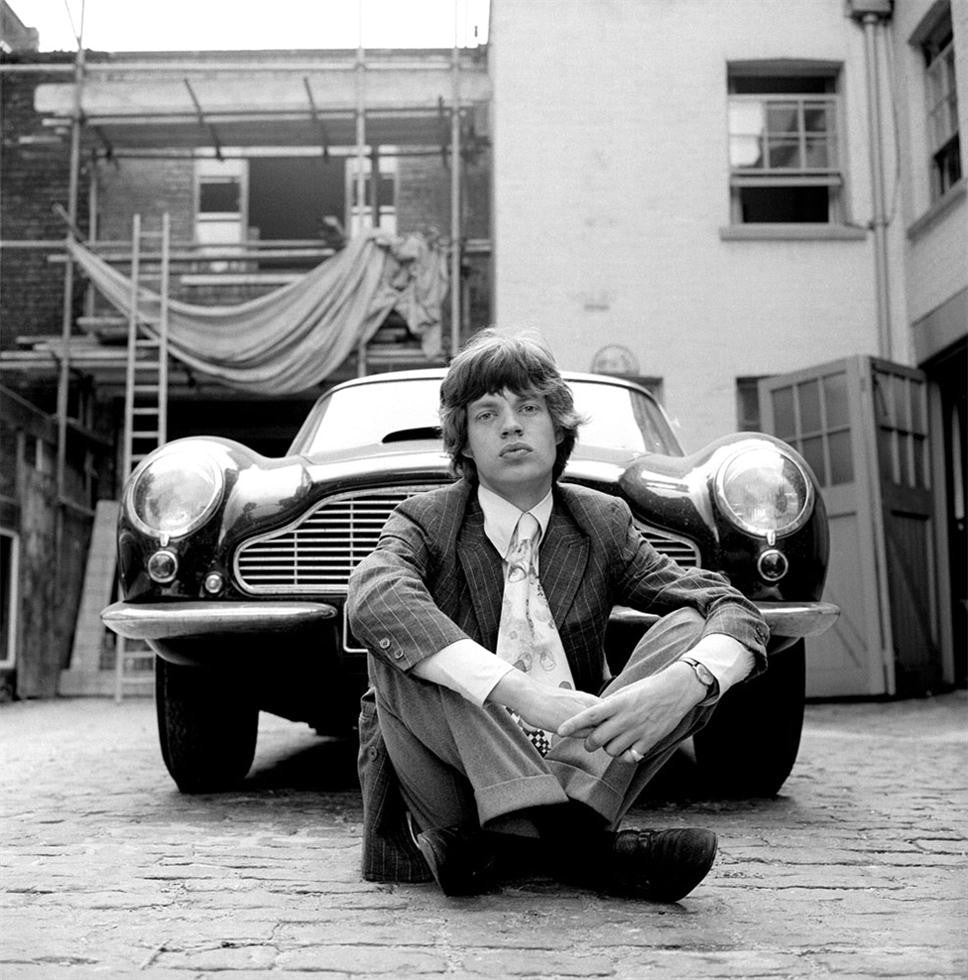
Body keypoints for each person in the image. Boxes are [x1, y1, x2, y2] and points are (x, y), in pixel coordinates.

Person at [347, 329, 769, 900]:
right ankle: (584, 848)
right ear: (464, 442)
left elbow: (731, 607)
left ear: (558, 427)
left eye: (529, 407)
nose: (512, 425)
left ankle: (518, 844)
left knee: (693, 629)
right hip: (455, 784)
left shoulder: (601, 522)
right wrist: (525, 695)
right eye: (487, 413)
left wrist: (683, 683)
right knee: (400, 641)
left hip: (582, 770)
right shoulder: (425, 520)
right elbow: (373, 596)